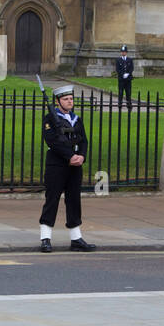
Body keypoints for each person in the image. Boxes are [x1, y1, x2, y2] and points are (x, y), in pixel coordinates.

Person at [39, 85, 97, 252]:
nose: (69, 101)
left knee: (73, 201)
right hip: (56, 165)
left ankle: (76, 238)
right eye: (65, 99)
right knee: (52, 200)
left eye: (71, 98)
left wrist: (82, 156)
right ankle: (45, 237)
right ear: (58, 102)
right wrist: (69, 156)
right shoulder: (50, 119)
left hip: (75, 166)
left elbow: (83, 141)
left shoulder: (76, 119)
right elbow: (52, 141)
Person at [115, 45, 134, 110]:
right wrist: (123, 74)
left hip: (128, 79)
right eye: (122, 52)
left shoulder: (130, 60)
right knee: (120, 92)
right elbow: (117, 69)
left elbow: (131, 68)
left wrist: (128, 74)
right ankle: (120, 104)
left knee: (128, 92)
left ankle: (129, 104)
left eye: (124, 52)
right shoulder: (118, 60)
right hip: (121, 79)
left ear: (126, 52)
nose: (123, 53)